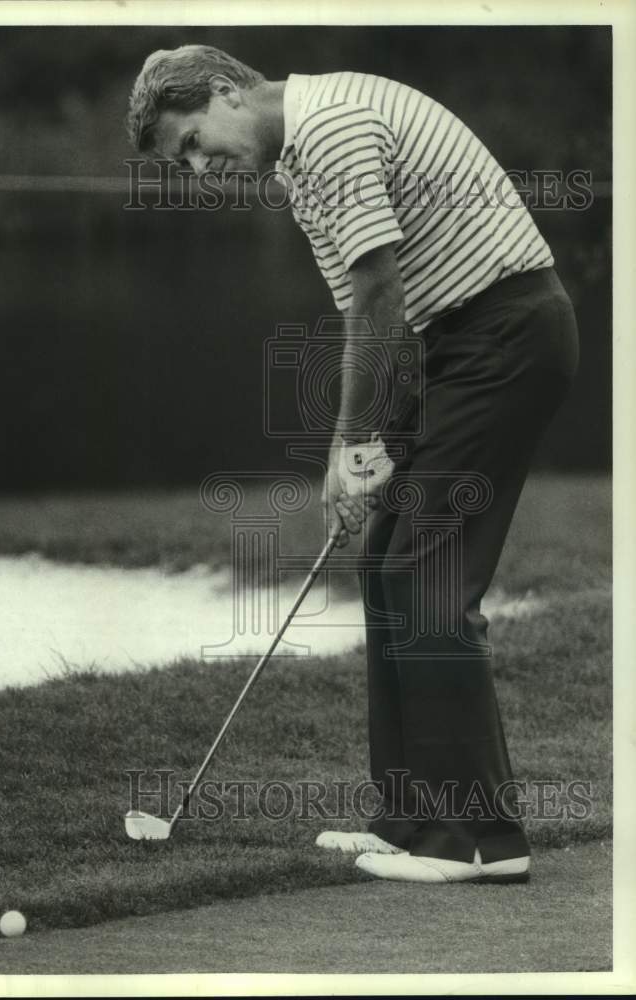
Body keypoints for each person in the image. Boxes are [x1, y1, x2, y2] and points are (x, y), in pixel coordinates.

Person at [126, 45, 579, 883]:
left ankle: (477, 844)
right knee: (384, 562)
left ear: (225, 92)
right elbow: (371, 322)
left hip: (507, 334)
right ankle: (408, 822)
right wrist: (355, 448)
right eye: (180, 163)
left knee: (426, 574)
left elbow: (380, 292)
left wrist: (361, 440)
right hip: (456, 344)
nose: (196, 170)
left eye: (190, 144)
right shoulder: (298, 168)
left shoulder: (329, 129)